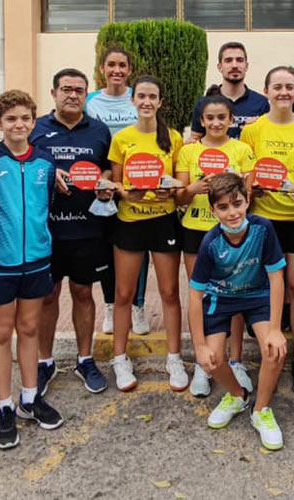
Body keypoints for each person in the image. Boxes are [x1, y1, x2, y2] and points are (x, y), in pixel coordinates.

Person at [0, 90, 69, 449]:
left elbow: (47, 205)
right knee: (1, 332)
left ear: (33, 122)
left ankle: (29, 398)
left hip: (37, 259)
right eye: (11, 119)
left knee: (29, 328)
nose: (19, 125)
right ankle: (4, 406)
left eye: (25, 118)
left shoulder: (45, 162)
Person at [240, 66, 294, 394]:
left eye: (289, 87)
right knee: (267, 288)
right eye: (277, 87)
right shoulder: (253, 130)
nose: (284, 92)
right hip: (265, 219)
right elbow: (246, 173)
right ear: (266, 91)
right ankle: (271, 349)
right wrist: (253, 188)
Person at [189, 173, 287, 450]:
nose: (232, 212)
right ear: (213, 211)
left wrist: (277, 330)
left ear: (247, 202)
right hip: (222, 298)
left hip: (257, 296)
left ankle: (261, 410)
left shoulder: (263, 229)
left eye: (237, 203)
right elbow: (195, 296)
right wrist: (198, 346)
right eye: (223, 207)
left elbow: (277, 278)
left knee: (275, 349)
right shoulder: (211, 242)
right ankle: (237, 395)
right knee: (211, 359)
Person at [31, 69, 112, 396]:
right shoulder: (35, 129)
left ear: (86, 95)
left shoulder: (99, 130)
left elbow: (108, 166)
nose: (73, 95)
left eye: (79, 90)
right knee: (48, 296)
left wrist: (104, 182)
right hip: (46, 230)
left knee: (83, 293)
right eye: (66, 89)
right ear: (53, 93)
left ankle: (85, 359)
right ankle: (44, 362)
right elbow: (23, 165)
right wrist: (49, 175)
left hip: (87, 228)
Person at [108, 75, 186, 392]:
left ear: (160, 102)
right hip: (130, 222)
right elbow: (116, 185)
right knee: (124, 295)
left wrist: (173, 191)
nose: (146, 102)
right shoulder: (121, 139)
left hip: (164, 222)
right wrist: (126, 195)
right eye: (141, 96)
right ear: (133, 99)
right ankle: (120, 358)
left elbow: (180, 186)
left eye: (152, 96)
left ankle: (174, 358)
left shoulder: (174, 138)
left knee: (169, 293)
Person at [176, 93, 256, 397]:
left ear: (231, 120)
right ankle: (203, 361)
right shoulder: (189, 151)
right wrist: (195, 188)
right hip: (196, 229)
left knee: (234, 295)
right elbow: (180, 196)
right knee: (201, 295)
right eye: (210, 118)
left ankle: (235, 360)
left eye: (222, 117)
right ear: (202, 121)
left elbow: (250, 196)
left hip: (233, 231)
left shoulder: (243, 149)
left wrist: (240, 182)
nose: (216, 122)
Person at [86, 47, 150, 336]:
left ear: (129, 69)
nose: (117, 70)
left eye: (122, 65)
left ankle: (138, 307)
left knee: (139, 251)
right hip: (102, 182)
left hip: (134, 185)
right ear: (102, 69)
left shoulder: (138, 97)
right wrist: (102, 179)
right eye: (111, 64)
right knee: (105, 248)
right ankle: (111, 305)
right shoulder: (90, 101)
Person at [189, 42, 270, 141]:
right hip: (216, 156)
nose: (234, 65)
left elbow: (266, 139)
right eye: (228, 60)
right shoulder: (203, 103)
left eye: (239, 60)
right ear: (220, 67)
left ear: (246, 66)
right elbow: (195, 140)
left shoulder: (261, 103)